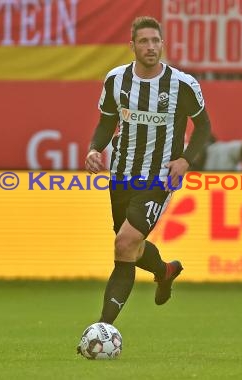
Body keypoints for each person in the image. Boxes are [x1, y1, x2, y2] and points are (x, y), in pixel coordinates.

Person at [83, 16, 211, 327]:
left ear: (162, 44)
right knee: (129, 246)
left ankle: (104, 327)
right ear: (132, 46)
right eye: (144, 41)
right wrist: (93, 148)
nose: (151, 47)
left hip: (159, 176)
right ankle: (164, 271)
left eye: (155, 41)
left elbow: (204, 127)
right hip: (122, 174)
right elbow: (106, 122)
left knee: (125, 243)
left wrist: (185, 161)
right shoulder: (116, 80)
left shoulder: (182, 84)